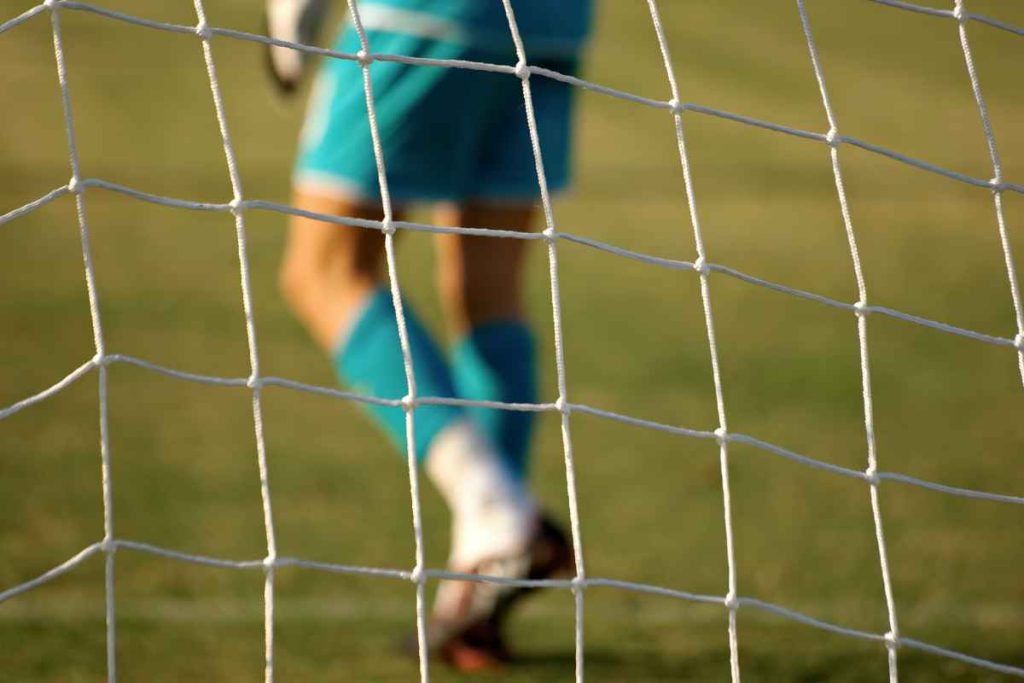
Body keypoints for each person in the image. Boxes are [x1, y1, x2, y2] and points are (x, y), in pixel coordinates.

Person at [265, 0, 592, 670]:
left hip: (423, 16)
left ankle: (495, 510)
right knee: (488, 288)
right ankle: (476, 591)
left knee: (323, 269)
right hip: (557, 22)